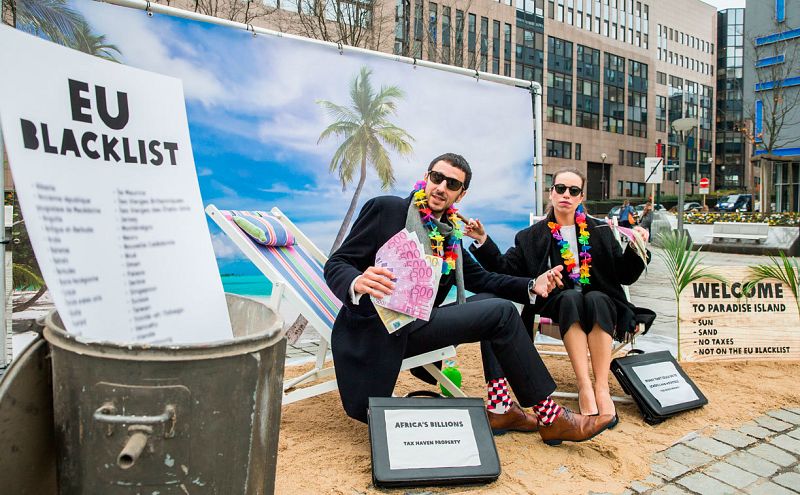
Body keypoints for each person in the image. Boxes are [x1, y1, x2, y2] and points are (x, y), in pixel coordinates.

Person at [324, 154, 615, 445]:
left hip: (418, 324)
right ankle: (550, 417)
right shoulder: (387, 210)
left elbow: (484, 279)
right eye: (437, 178)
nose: (441, 188)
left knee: (492, 299)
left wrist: (532, 284)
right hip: (381, 330)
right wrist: (356, 280)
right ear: (426, 177)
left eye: (452, 184)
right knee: (501, 312)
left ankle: (500, 407)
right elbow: (337, 263)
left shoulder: (448, 234)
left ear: (461, 194)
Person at [464, 167, 656, 421]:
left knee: (596, 298)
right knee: (570, 298)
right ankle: (584, 385)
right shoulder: (530, 236)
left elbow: (624, 276)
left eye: (573, 190)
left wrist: (636, 247)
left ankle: (601, 387)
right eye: (561, 188)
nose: (566, 194)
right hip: (556, 303)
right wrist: (483, 240)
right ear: (551, 193)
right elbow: (504, 269)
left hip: (602, 303)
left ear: (581, 197)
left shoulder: (600, 231)